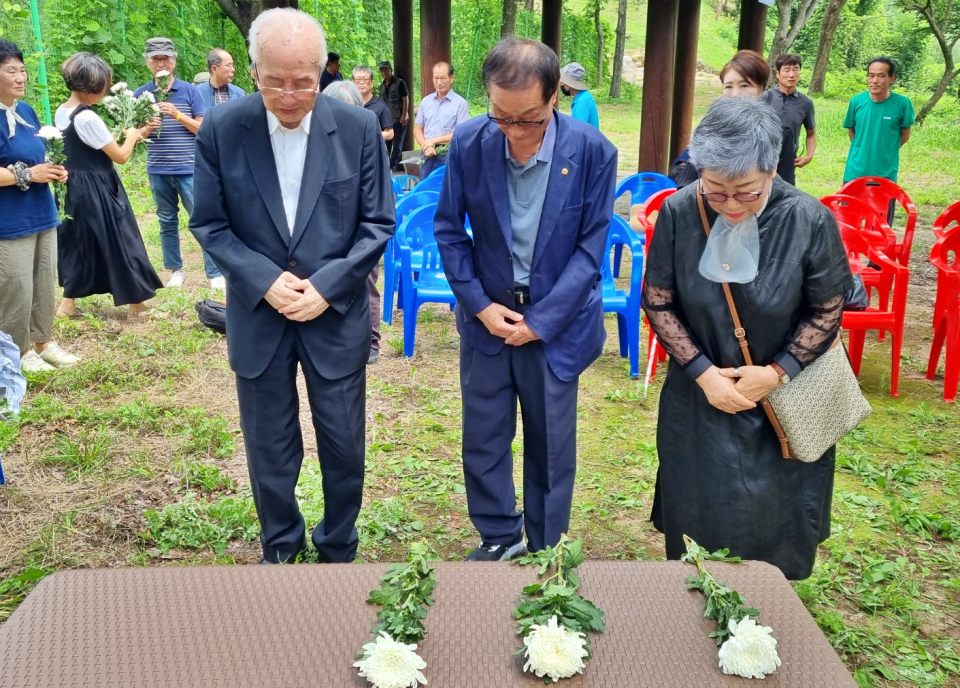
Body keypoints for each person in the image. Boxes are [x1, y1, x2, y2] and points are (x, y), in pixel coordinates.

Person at [190, 9, 394, 564]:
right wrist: (263, 280)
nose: (288, 95)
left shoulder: (355, 129)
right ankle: (279, 545)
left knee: (343, 444)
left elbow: (377, 223)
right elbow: (210, 223)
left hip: (334, 314)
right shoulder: (223, 129)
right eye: (273, 81)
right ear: (253, 70)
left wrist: (326, 286)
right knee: (268, 445)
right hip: (259, 314)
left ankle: (338, 545)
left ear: (321, 72)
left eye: (303, 82)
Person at [642, 98, 854, 580]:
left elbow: (827, 309)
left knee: (777, 515)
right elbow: (658, 301)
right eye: (716, 192)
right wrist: (704, 374)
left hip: (783, 394)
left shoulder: (808, 218)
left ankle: (769, 596)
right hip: (701, 395)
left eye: (747, 193)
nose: (732, 206)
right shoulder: (679, 210)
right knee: (698, 507)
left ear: (772, 170)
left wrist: (776, 373)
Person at [434, 37, 617, 560]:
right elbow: (449, 230)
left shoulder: (592, 151)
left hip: (555, 323)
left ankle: (544, 542)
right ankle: (498, 534)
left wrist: (542, 320)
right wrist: (479, 305)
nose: (514, 132)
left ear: (555, 96)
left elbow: (590, 249)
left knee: (551, 442)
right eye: (502, 117)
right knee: (484, 437)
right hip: (489, 316)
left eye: (529, 119)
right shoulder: (470, 141)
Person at [54, 53, 162, 322]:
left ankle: (67, 305)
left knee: (80, 241)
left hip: (73, 185)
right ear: (91, 85)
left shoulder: (63, 111)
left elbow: (91, 146)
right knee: (121, 240)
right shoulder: (88, 118)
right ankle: (136, 306)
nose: (105, 90)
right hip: (98, 188)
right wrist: (134, 135)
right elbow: (121, 156)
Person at [0, 39, 79, 373]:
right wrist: (28, 174)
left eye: (22, 70)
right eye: (11, 71)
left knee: (44, 282)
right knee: (15, 287)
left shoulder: (26, 112)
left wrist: (53, 168)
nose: (21, 77)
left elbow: (37, 156)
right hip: (8, 221)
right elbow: (24, 170)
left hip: (41, 213)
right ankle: (15, 353)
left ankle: (43, 343)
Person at [134, 37, 222, 291]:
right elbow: (133, 134)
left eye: (166, 58)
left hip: (189, 168)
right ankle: (175, 270)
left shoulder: (191, 91)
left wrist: (177, 115)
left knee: (202, 219)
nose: (161, 63)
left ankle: (214, 272)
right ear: (147, 62)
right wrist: (147, 128)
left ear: (174, 60)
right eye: (156, 59)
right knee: (166, 220)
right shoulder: (141, 94)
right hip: (158, 168)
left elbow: (203, 129)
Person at [669, 50, 771, 190]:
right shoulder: (712, 126)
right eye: (728, 86)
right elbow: (685, 184)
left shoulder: (772, 131)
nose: (735, 94)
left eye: (744, 85)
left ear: (762, 89)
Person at [352, 65, 393, 364]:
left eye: (365, 80)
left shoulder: (376, 113)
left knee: (367, 284)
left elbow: (381, 209)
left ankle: (372, 342)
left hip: (366, 232)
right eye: (357, 80)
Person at [842, 56, 914, 186]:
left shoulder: (902, 104)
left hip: (885, 174)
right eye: (871, 76)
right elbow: (852, 132)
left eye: (881, 76)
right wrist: (862, 148)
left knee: (884, 201)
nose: (875, 81)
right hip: (855, 172)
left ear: (892, 78)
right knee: (849, 200)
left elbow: (905, 135)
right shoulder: (856, 101)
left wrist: (887, 149)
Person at [761, 54, 816, 186]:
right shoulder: (765, 97)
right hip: (763, 159)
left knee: (786, 194)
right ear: (778, 74)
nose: (791, 75)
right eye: (787, 70)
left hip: (788, 161)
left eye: (796, 69)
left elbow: (811, 133)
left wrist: (809, 156)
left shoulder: (806, 103)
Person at [413, 61, 469, 178]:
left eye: (443, 78)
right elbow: (417, 129)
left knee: (447, 187)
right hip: (427, 153)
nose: (439, 82)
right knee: (426, 186)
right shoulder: (426, 101)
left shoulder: (460, 103)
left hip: (448, 154)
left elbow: (461, 134)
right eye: (436, 78)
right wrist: (426, 146)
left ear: (451, 78)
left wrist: (434, 141)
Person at [378, 60, 409, 170]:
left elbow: (405, 99)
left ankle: (392, 166)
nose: (384, 72)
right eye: (382, 70)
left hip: (398, 118)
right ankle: (386, 166)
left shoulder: (399, 83)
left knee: (397, 145)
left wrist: (404, 115)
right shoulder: (381, 86)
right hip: (387, 120)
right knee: (386, 144)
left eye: (386, 70)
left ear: (391, 70)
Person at [559, 62, 599, 128]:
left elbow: (578, 130)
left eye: (563, 83)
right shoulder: (582, 96)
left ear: (569, 85)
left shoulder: (582, 101)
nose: (561, 86)